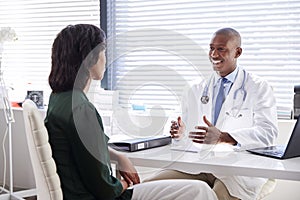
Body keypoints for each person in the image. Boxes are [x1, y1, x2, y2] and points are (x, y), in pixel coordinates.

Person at [45, 24, 218, 200]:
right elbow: (106, 190)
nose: (106, 59)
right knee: (199, 190)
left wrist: (119, 156)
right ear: (90, 58)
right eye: (103, 51)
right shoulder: (81, 109)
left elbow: (85, 148)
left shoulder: (59, 99)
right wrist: (128, 184)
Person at [144, 28, 278, 200]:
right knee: (148, 188)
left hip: (236, 171)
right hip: (198, 165)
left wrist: (224, 137)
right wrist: (178, 132)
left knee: (215, 197)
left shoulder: (258, 87)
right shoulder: (196, 88)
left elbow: (268, 133)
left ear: (238, 52)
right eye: (211, 48)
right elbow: (180, 127)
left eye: (221, 49)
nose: (214, 54)